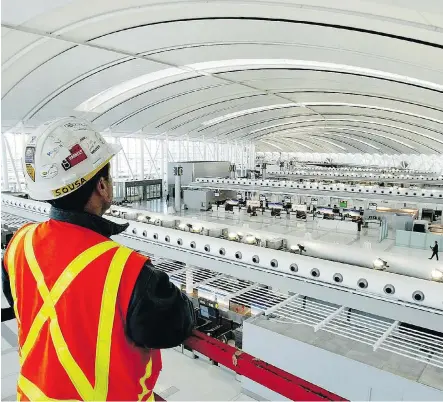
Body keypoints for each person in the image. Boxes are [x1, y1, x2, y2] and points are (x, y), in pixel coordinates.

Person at [2, 118, 195, 401]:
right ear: (102, 186)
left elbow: (20, 299)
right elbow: (175, 327)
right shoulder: (129, 270)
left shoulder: (20, 243)